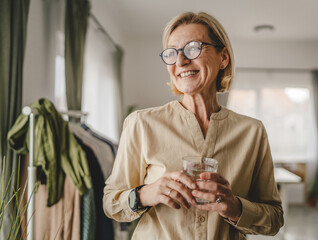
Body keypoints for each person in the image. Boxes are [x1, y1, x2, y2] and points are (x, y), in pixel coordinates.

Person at [103, 12, 284, 240]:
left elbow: (274, 218)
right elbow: (111, 203)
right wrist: (146, 194)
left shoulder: (253, 133)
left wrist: (235, 206)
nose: (180, 62)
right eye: (172, 53)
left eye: (192, 48)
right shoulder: (141, 123)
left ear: (223, 58)